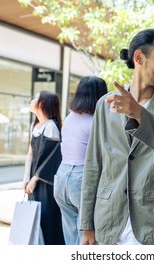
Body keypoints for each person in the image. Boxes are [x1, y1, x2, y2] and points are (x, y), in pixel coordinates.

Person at [80, 29, 154, 245]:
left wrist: (139, 113)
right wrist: (87, 226)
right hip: (109, 221)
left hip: (153, 223)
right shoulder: (105, 104)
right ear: (139, 58)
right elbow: (93, 165)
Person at [54, 76, 108, 245]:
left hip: (62, 177)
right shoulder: (96, 122)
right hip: (82, 179)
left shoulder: (70, 118)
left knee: (70, 235)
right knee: (87, 239)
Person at [23, 90, 65, 245]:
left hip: (46, 183)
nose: (32, 99)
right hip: (34, 181)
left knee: (47, 220)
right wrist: (26, 178)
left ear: (42, 103)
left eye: (36, 98)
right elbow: (30, 155)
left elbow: (52, 159)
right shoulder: (34, 125)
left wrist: (34, 178)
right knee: (36, 220)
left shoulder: (51, 127)